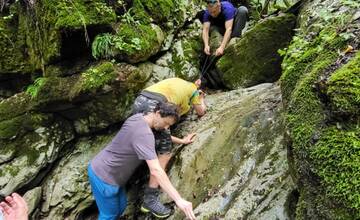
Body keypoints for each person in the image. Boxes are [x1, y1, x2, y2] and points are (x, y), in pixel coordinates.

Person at [88, 102, 196, 220]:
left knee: (121, 207)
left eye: (168, 125)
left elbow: (158, 135)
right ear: (158, 113)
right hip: (103, 176)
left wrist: (182, 141)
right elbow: (156, 170)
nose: (166, 128)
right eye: (166, 123)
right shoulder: (144, 134)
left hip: (111, 174)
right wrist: (179, 200)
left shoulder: (138, 118)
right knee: (109, 215)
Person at [132, 77, 206, 218]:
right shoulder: (194, 92)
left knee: (152, 135)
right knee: (164, 153)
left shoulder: (178, 82)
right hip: (156, 104)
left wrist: (181, 141)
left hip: (140, 100)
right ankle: (150, 199)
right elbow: (201, 112)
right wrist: (201, 98)